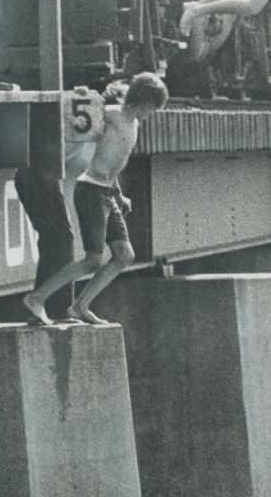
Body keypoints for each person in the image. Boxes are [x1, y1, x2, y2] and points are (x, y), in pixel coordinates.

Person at [22, 72, 169, 326]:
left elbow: (114, 164)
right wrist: (81, 98)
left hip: (107, 192)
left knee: (124, 255)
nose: (153, 112)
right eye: (153, 106)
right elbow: (76, 129)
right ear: (143, 100)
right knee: (92, 259)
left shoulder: (134, 125)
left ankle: (80, 306)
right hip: (90, 191)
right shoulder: (110, 115)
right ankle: (36, 298)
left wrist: (120, 196)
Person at [15, 80, 128, 322]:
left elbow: (109, 168)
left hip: (45, 176)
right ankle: (45, 306)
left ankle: (51, 308)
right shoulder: (94, 125)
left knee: (61, 239)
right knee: (61, 239)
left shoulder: (104, 134)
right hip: (39, 175)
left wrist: (118, 196)